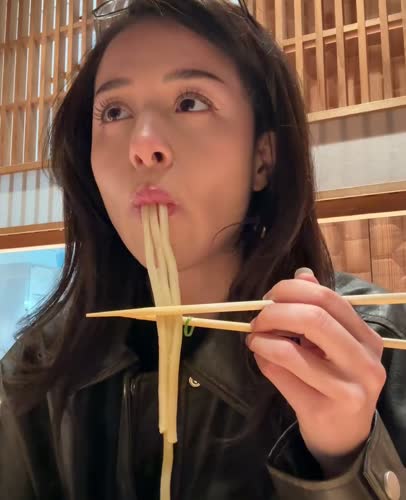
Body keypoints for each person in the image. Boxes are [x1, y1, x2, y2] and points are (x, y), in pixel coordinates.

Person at [0, 0, 405, 498]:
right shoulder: (38, 370)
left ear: (262, 159)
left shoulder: (370, 342)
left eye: (190, 102)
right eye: (115, 111)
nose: (143, 144)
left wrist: (343, 460)